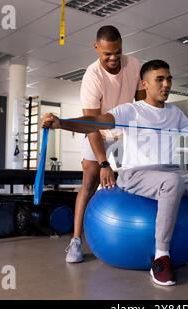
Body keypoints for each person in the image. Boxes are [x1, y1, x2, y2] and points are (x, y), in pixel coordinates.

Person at [42, 60, 188, 286]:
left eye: (169, 79)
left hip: (171, 172)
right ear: (144, 84)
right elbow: (96, 122)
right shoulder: (130, 110)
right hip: (136, 174)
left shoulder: (174, 113)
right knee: (171, 183)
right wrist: (62, 123)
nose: (166, 84)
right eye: (160, 79)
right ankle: (161, 257)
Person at [65, 25, 145, 263]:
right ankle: (76, 241)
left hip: (125, 134)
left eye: (117, 52)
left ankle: (135, 233)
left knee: (136, 178)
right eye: (107, 53)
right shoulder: (92, 77)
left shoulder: (135, 66)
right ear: (96, 48)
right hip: (98, 132)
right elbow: (91, 124)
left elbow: (142, 108)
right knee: (89, 181)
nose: (113, 58)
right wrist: (103, 163)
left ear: (122, 46)